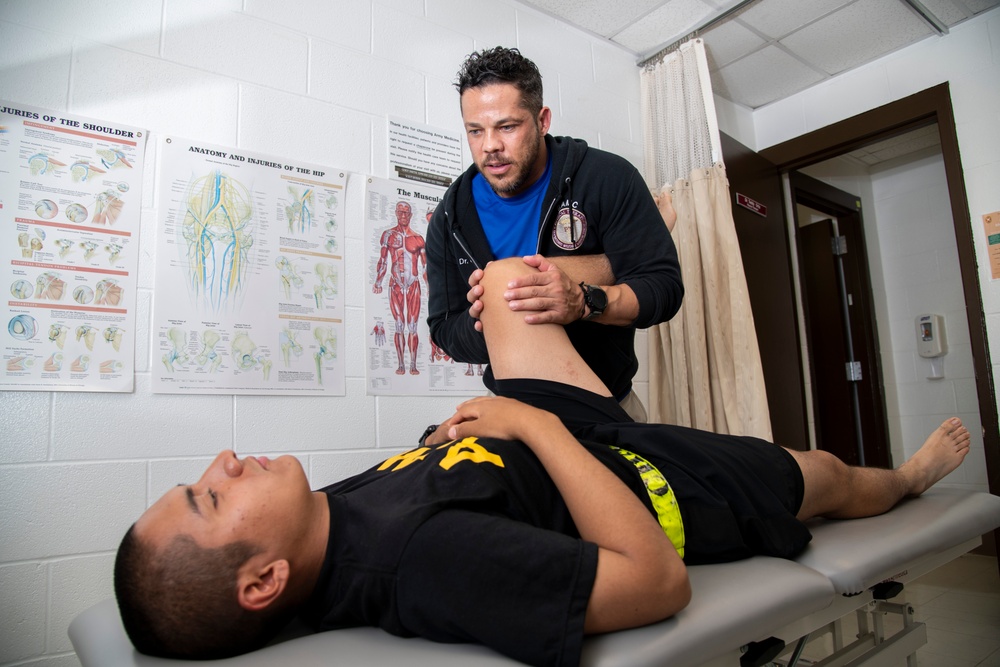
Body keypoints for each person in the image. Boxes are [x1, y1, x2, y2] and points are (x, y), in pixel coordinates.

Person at [115, 258, 970, 667]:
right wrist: (529, 422)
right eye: (205, 496)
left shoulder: (323, 523)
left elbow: (436, 495)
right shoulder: (423, 564)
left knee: (509, 296)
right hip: (662, 488)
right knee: (819, 471)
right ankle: (906, 479)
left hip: (586, 443)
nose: (222, 461)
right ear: (262, 581)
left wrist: (444, 444)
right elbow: (657, 583)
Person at [426, 46, 683, 422]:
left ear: (542, 120)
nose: (490, 146)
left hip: (610, 406)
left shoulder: (607, 178)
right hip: (512, 410)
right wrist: (493, 316)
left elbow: (664, 288)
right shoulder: (450, 216)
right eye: (475, 131)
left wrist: (585, 302)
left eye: (507, 127)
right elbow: (445, 330)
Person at [373, 201, 427, 375]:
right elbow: (383, 260)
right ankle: (401, 364)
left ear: (411, 215)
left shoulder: (418, 239)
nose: (403, 216)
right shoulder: (388, 235)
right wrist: (378, 282)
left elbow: (425, 266)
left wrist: (430, 289)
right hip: (395, 283)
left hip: (413, 284)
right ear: (396, 213)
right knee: (398, 324)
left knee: (412, 326)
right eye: (400, 212)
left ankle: (412, 364)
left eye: (406, 213)